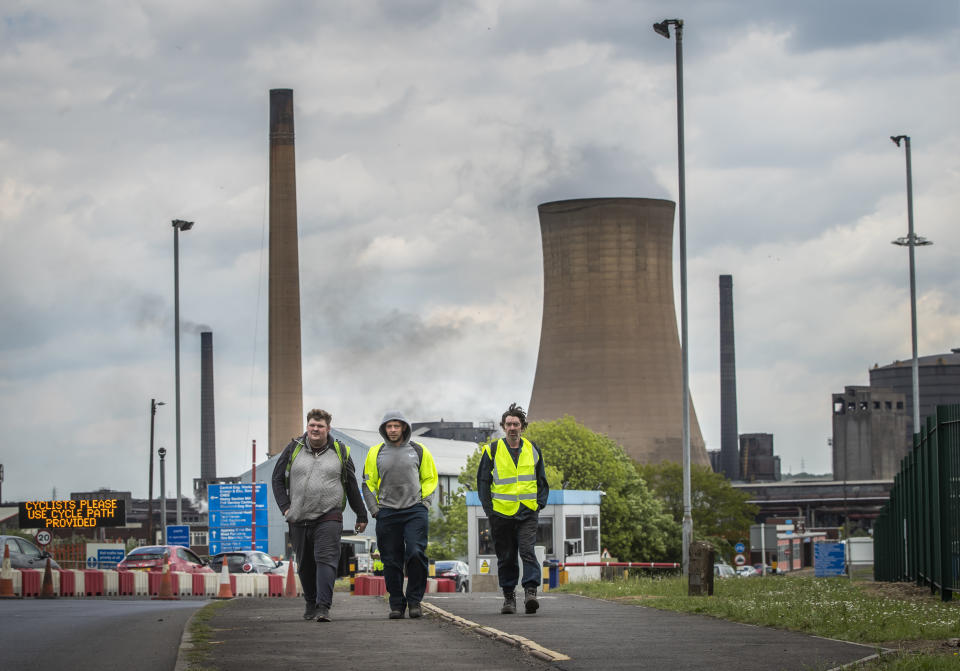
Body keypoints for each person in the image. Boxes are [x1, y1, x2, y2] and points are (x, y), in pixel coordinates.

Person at [272, 408, 367, 622]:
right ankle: (311, 601)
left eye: (320, 426)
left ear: (328, 429)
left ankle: (323, 606)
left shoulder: (340, 451)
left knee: (326, 559)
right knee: (305, 564)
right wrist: (285, 507)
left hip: (329, 516)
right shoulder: (293, 448)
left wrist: (361, 515)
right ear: (307, 426)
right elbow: (277, 479)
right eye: (312, 425)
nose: (315, 429)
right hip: (298, 517)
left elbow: (351, 484)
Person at [362, 410, 438, 619]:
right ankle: (396, 603)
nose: (393, 430)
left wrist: (424, 504)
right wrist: (374, 510)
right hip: (386, 512)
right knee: (391, 560)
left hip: (415, 510)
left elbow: (431, 479)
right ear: (384, 429)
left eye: (397, 426)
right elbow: (367, 483)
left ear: (404, 427)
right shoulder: (375, 453)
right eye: (389, 426)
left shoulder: (419, 450)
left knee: (415, 553)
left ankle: (414, 601)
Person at [476, 403, 549, 615]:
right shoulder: (492, 450)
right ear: (503, 426)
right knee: (506, 556)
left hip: (527, 512)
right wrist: (489, 510)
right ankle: (509, 597)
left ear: (522, 427)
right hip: (501, 514)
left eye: (516, 424)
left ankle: (530, 592)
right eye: (508, 424)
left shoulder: (532, 449)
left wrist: (539, 503)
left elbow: (541, 480)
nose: (512, 428)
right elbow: (483, 482)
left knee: (527, 551)